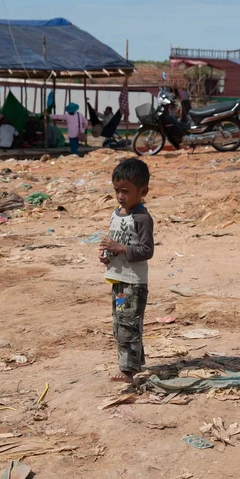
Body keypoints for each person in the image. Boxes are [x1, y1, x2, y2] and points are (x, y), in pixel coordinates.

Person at [99, 158, 154, 384]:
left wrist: (119, 248)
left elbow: (147, 250)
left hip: (133, 283)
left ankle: (128, 370)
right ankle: (135, 362)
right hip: (118, 281)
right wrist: (107, 255)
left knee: (129, 323)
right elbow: (115, 242)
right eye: (117, 190)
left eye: (126, 191)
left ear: (143, 191)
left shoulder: (142, 218)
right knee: (121, 320)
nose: (121, 196)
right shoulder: (116, 213)